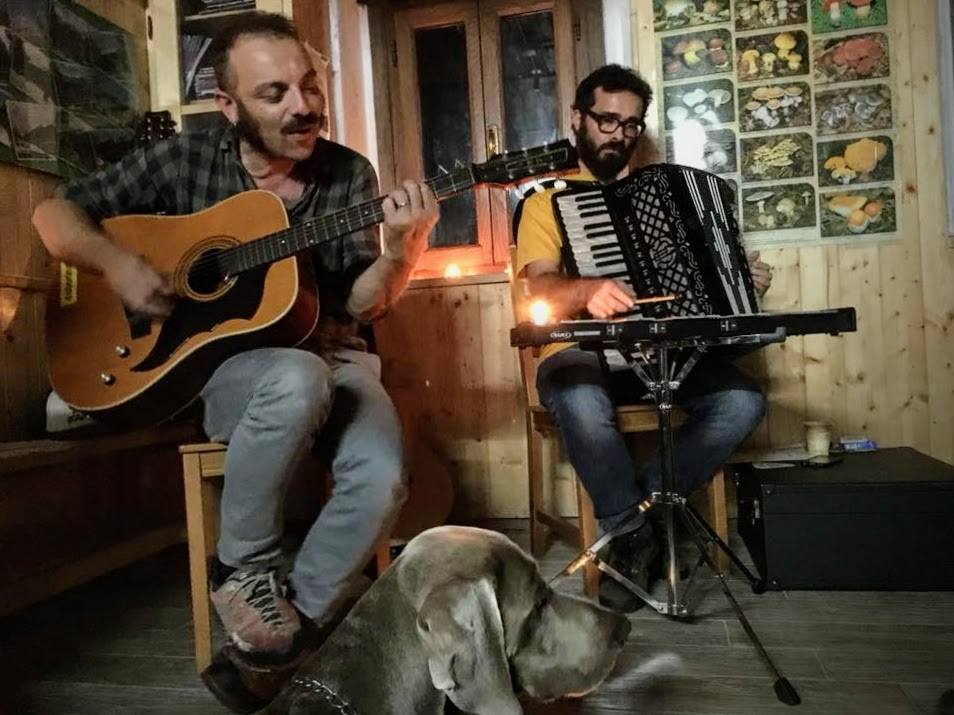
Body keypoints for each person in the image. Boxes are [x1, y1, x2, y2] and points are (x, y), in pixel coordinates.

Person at [33, 11, 437, 670]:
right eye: (274, 94)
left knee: (383, 475)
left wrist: (404, 251)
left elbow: (365, 305)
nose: (303, 106)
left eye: (309, 86)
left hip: (333, 351)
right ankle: (241, 570)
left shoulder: (348, 175)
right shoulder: (185, 159)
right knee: (294, 378)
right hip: (222, 371)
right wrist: (118, 263)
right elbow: (52, 214)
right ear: (227, 105)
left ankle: (282, 633)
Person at [514, 64, 772, 613]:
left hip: (662, 354)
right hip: (579, 353)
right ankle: (632, 537)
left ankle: (641, 514)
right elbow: (540, 288)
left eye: (632, 125)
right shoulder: (545, 201)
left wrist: (739, 282)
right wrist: (588, 289)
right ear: (578, 118)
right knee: (581, 403)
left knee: (743, 401)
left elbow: (693, 290)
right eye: (607, 120)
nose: (620, 135)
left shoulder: (663, 195)